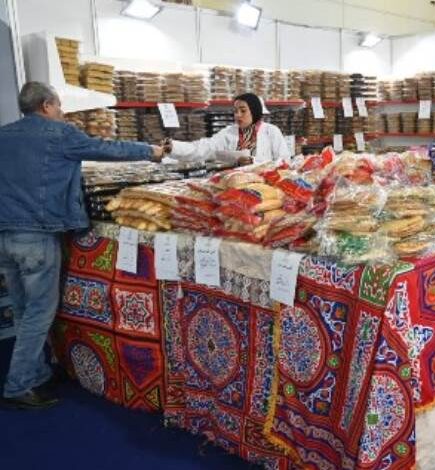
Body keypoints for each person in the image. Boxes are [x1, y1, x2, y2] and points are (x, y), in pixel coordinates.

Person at [0, 82, 164, 410]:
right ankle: (18, 385)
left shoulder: (4, 135)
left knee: (22, 307)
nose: (61, 112)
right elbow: (107, 148)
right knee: (39, 312)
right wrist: (150, 151)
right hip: (37, 236)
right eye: (59, 106)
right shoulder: (59, 134)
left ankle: (36, 372)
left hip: (5, 234)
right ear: (46, 105)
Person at [164, 93, 291, 165]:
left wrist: (254, 162)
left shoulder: (271, 131)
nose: (238, 115)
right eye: (235, 111)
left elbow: (284, 161)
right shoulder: (229, 132)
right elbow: (204, 148)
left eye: (243, 111)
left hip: (265, 187)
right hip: (236, 189)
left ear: (255, 111)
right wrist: (174, 147)